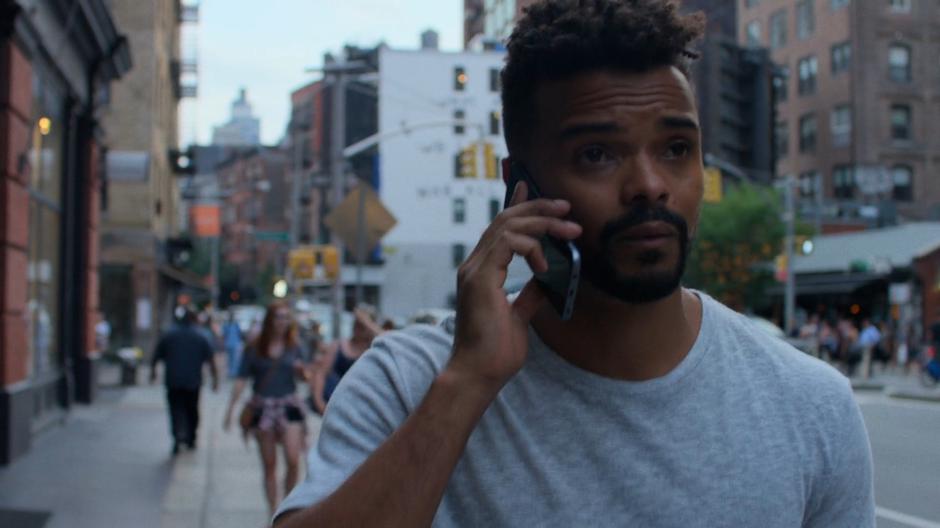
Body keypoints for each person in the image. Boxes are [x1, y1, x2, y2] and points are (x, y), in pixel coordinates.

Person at [274, 1, 874, 526]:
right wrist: (467, 385)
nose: (649, 185)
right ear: (520, 190)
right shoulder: (408, 384)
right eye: (596, 153)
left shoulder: (812, 405)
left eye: (675, 149)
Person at [223, 302, 310, 517]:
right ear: (270, 320)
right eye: (279, 317)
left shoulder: (295, 345)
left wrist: (302, 371)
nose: (283, 322)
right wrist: (230, 410)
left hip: (288, 404)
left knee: (293, 459)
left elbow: (305, 376)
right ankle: (273, 512)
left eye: (286, 317)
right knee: (269, 465)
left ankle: (287, 508)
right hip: (263, 407)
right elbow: (241, 380)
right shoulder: (254, 347)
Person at [149, 306, 219, 455]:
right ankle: (190, 437)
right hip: (192, 381)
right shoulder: (200, 336)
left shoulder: (169, 335)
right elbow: (211, 360)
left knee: (176, 410)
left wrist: (153, 372)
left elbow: (156, 355)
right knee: (191, 409)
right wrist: (215, 379)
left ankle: (178, 436)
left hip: (173, 380)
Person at [307, 305, 384, 415]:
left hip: (362, 410)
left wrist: (367, 322)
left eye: (361, 325)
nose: (357, 327)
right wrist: (319, 403)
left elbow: (394, 342)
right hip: (335, 406)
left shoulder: (375, 350)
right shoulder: (338, 345)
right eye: (356, 323)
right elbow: (321, 373)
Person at [221, 312, 244, 378]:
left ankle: (233, 373)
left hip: (233, 344)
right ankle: (232, 373)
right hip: (230, 344)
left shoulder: (235, 325)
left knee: (233, 359)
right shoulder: (227, 325)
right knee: (231, 359)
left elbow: (239, 334)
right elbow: (224, 335)